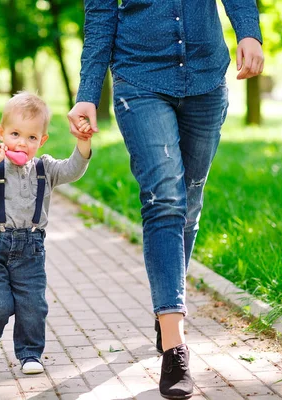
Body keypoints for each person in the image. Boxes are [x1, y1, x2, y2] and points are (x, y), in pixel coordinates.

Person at [68, 1, 264, 398]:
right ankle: (175, 345)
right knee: (164, 200)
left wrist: (249, 31)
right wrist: (88, 92)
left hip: (206, 77)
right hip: (139, 79)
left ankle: (166, 309)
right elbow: (101, 15)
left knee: (188, 202)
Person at [0, 92, 92, 374]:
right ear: (1, 132)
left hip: (31, 248)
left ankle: (30, 354)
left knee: (33, 304)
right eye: (15, 134)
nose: (22, 142)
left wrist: (83, 144)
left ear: (42, 140)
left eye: (31, 138)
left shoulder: (44, 167)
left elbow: (72, 170)